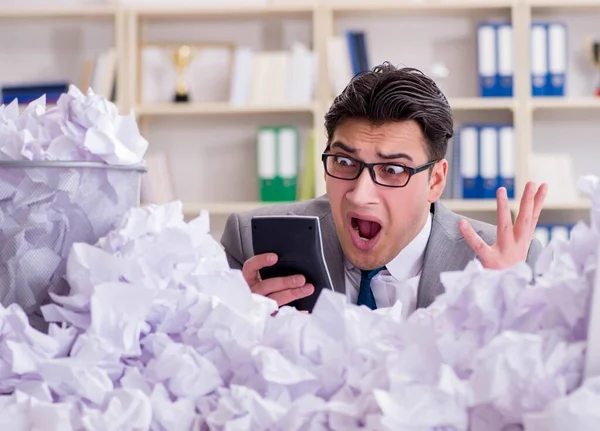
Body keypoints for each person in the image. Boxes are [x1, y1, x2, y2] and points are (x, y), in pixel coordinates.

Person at [220, 62, 547, 315]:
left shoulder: (510, 264)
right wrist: (240, 324)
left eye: (392, 170)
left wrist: (509, 312)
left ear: (435, 180)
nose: (360, 195)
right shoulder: (248, 240)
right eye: (344, 163)